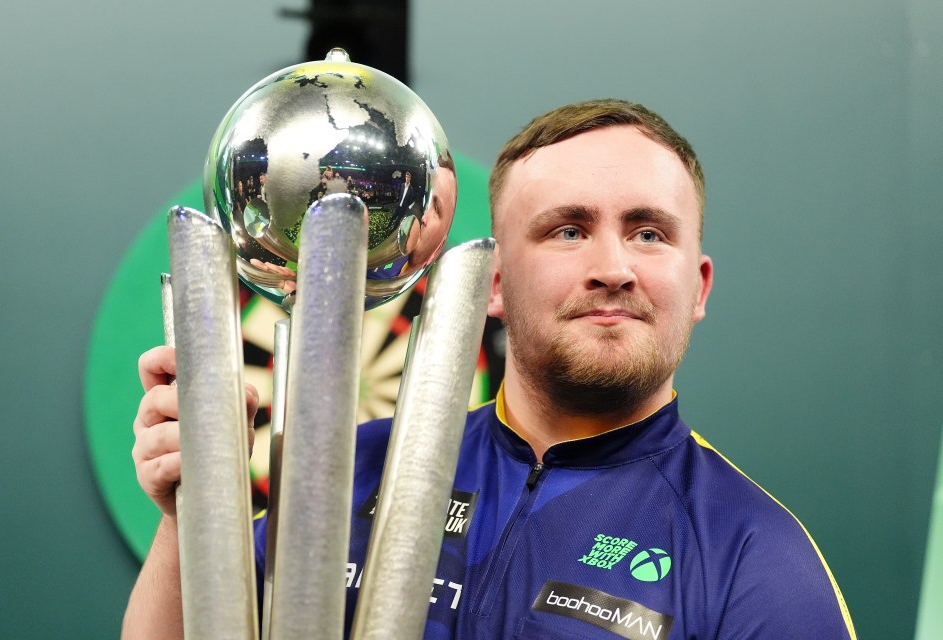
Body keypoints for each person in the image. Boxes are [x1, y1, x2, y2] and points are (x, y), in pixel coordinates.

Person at [124, 99, 856, 639]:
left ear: (697, 286)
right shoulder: (347, 476)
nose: (613, 268)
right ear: (493, 285)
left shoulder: (756, 559)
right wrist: (186, 514)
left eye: (648, 232)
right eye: (568, 230)